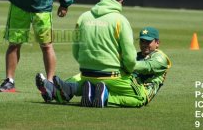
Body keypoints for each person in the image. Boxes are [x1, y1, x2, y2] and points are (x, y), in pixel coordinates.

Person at [36, 0, 148, 107]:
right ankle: (103, 97)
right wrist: (129, 70)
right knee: (140, 98)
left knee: (77, 82)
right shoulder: (120, 20)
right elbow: (130, 58)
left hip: (86, 73)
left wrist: (87, 63)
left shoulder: (84, 17)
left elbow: (76, 50)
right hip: (112, 76)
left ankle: (60, 90)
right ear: (121, 1)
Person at [36, 25, 171, 107]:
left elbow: (146, 67)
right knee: (93, 74)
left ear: (157, 43)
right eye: (142, 41)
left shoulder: (160, 58)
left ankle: (94, 94)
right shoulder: (136, 54)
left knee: (140, 99)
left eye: (148, 42)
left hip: (142, 89)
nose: (144, 44)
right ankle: (61, 90)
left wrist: (123, 63)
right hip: (126, 84)